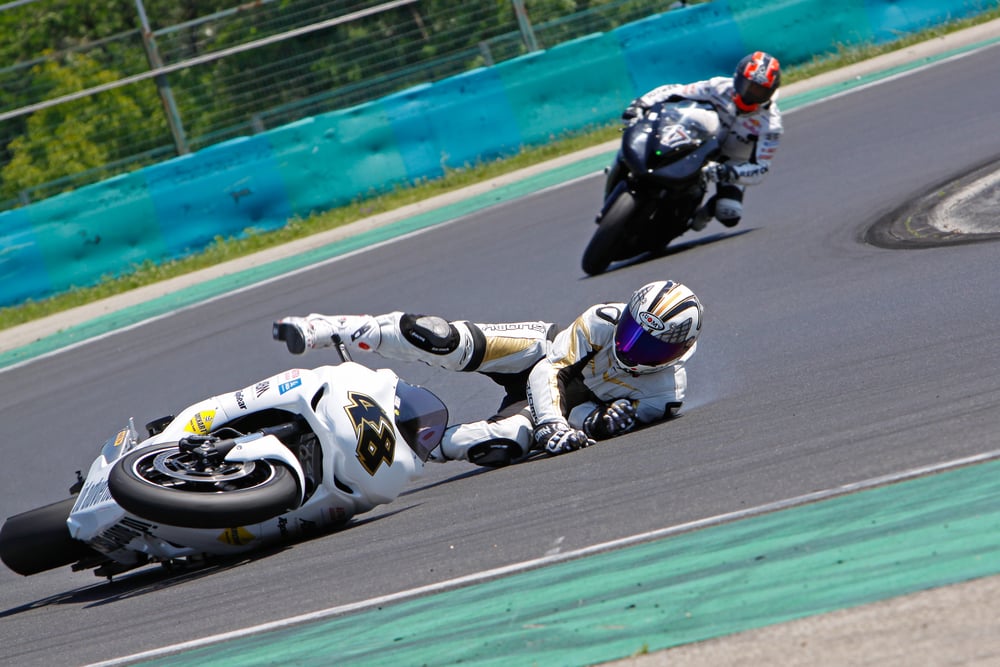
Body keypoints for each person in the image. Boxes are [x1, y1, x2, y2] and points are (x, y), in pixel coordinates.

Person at [272, 280, 703, 467]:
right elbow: (549, 370)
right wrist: (555, 423)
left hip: (561, 405)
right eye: (631, 331)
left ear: (678, 350)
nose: (629, 347)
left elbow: (594, 417)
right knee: (443, 338)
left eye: (649, 345)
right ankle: (332, 328)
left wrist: (595, 424)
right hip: (540, 354)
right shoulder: (602, 319)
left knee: (502, 444)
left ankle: (394, 440)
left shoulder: (665, 393)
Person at [609, 51, 783, 231]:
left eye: (758, 90)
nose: (750, 93)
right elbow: (676, 90)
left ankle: (702, 213)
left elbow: (761, 168)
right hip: (700, 142)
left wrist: (728, 172)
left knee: (729, 213)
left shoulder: (771, 125)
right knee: (643, 141)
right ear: (738, 78)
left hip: (731, 162)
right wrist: (640, 104)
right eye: (747, 85)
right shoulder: (719, 87)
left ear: (769, 92)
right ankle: (621, 165)